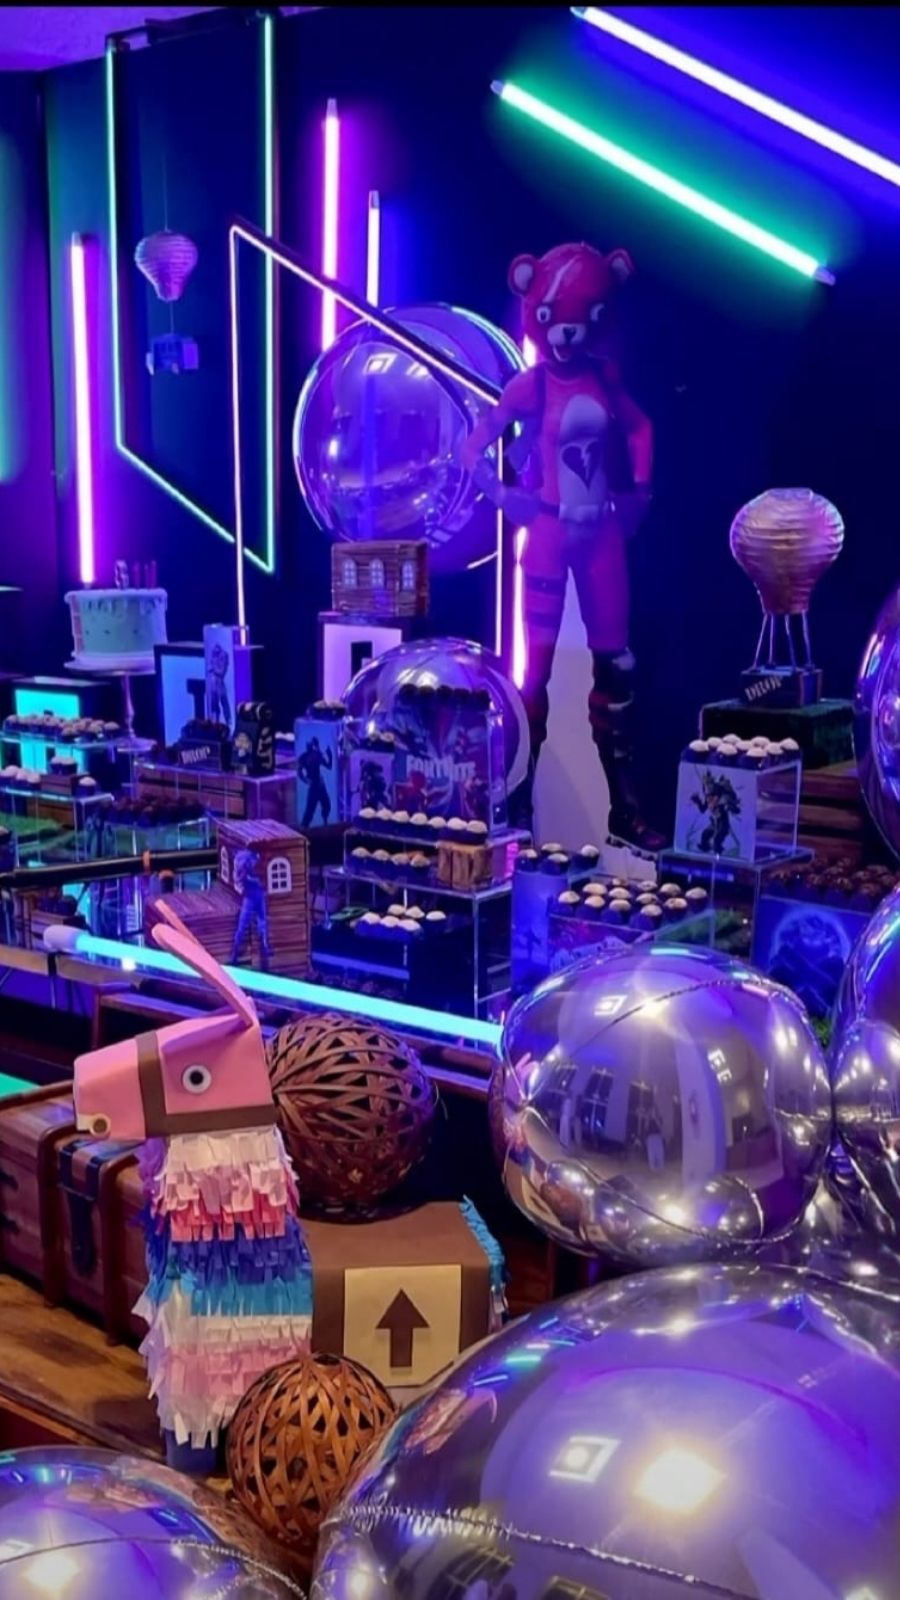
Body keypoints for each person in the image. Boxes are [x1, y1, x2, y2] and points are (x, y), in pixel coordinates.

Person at [461, 242, 664, 853]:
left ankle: (623, 810)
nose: (566, 335)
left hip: (599, 532)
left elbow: (641, 428)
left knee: (617, 669)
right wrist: (506, 496)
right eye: (553, 319)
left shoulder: (605, 378)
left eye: (580, 319)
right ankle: (521, 807)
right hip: (549, 532)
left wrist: (640, 492)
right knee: (536, 676)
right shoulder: (531, 387)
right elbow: (473, 448)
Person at [230, 847, 271, 969]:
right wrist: (243, 888)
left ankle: (264, 949)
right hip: (250, 895)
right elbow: (239, 878)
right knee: (244, 924)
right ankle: (235, 953)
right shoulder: (244, 860)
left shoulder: (253, 860)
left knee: (261, 922)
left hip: (258, 894)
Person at [298, 735, 334, 827]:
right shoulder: (304, 757)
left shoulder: (317, 754)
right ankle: (304, 827)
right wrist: (306, 780)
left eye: (312, 743)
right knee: (310, 810)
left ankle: (325, 823)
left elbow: (329, 766)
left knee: (326, 805)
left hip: (320, 784)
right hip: (314, 785)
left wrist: (330, 755)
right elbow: (299, 772)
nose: (310, 745)